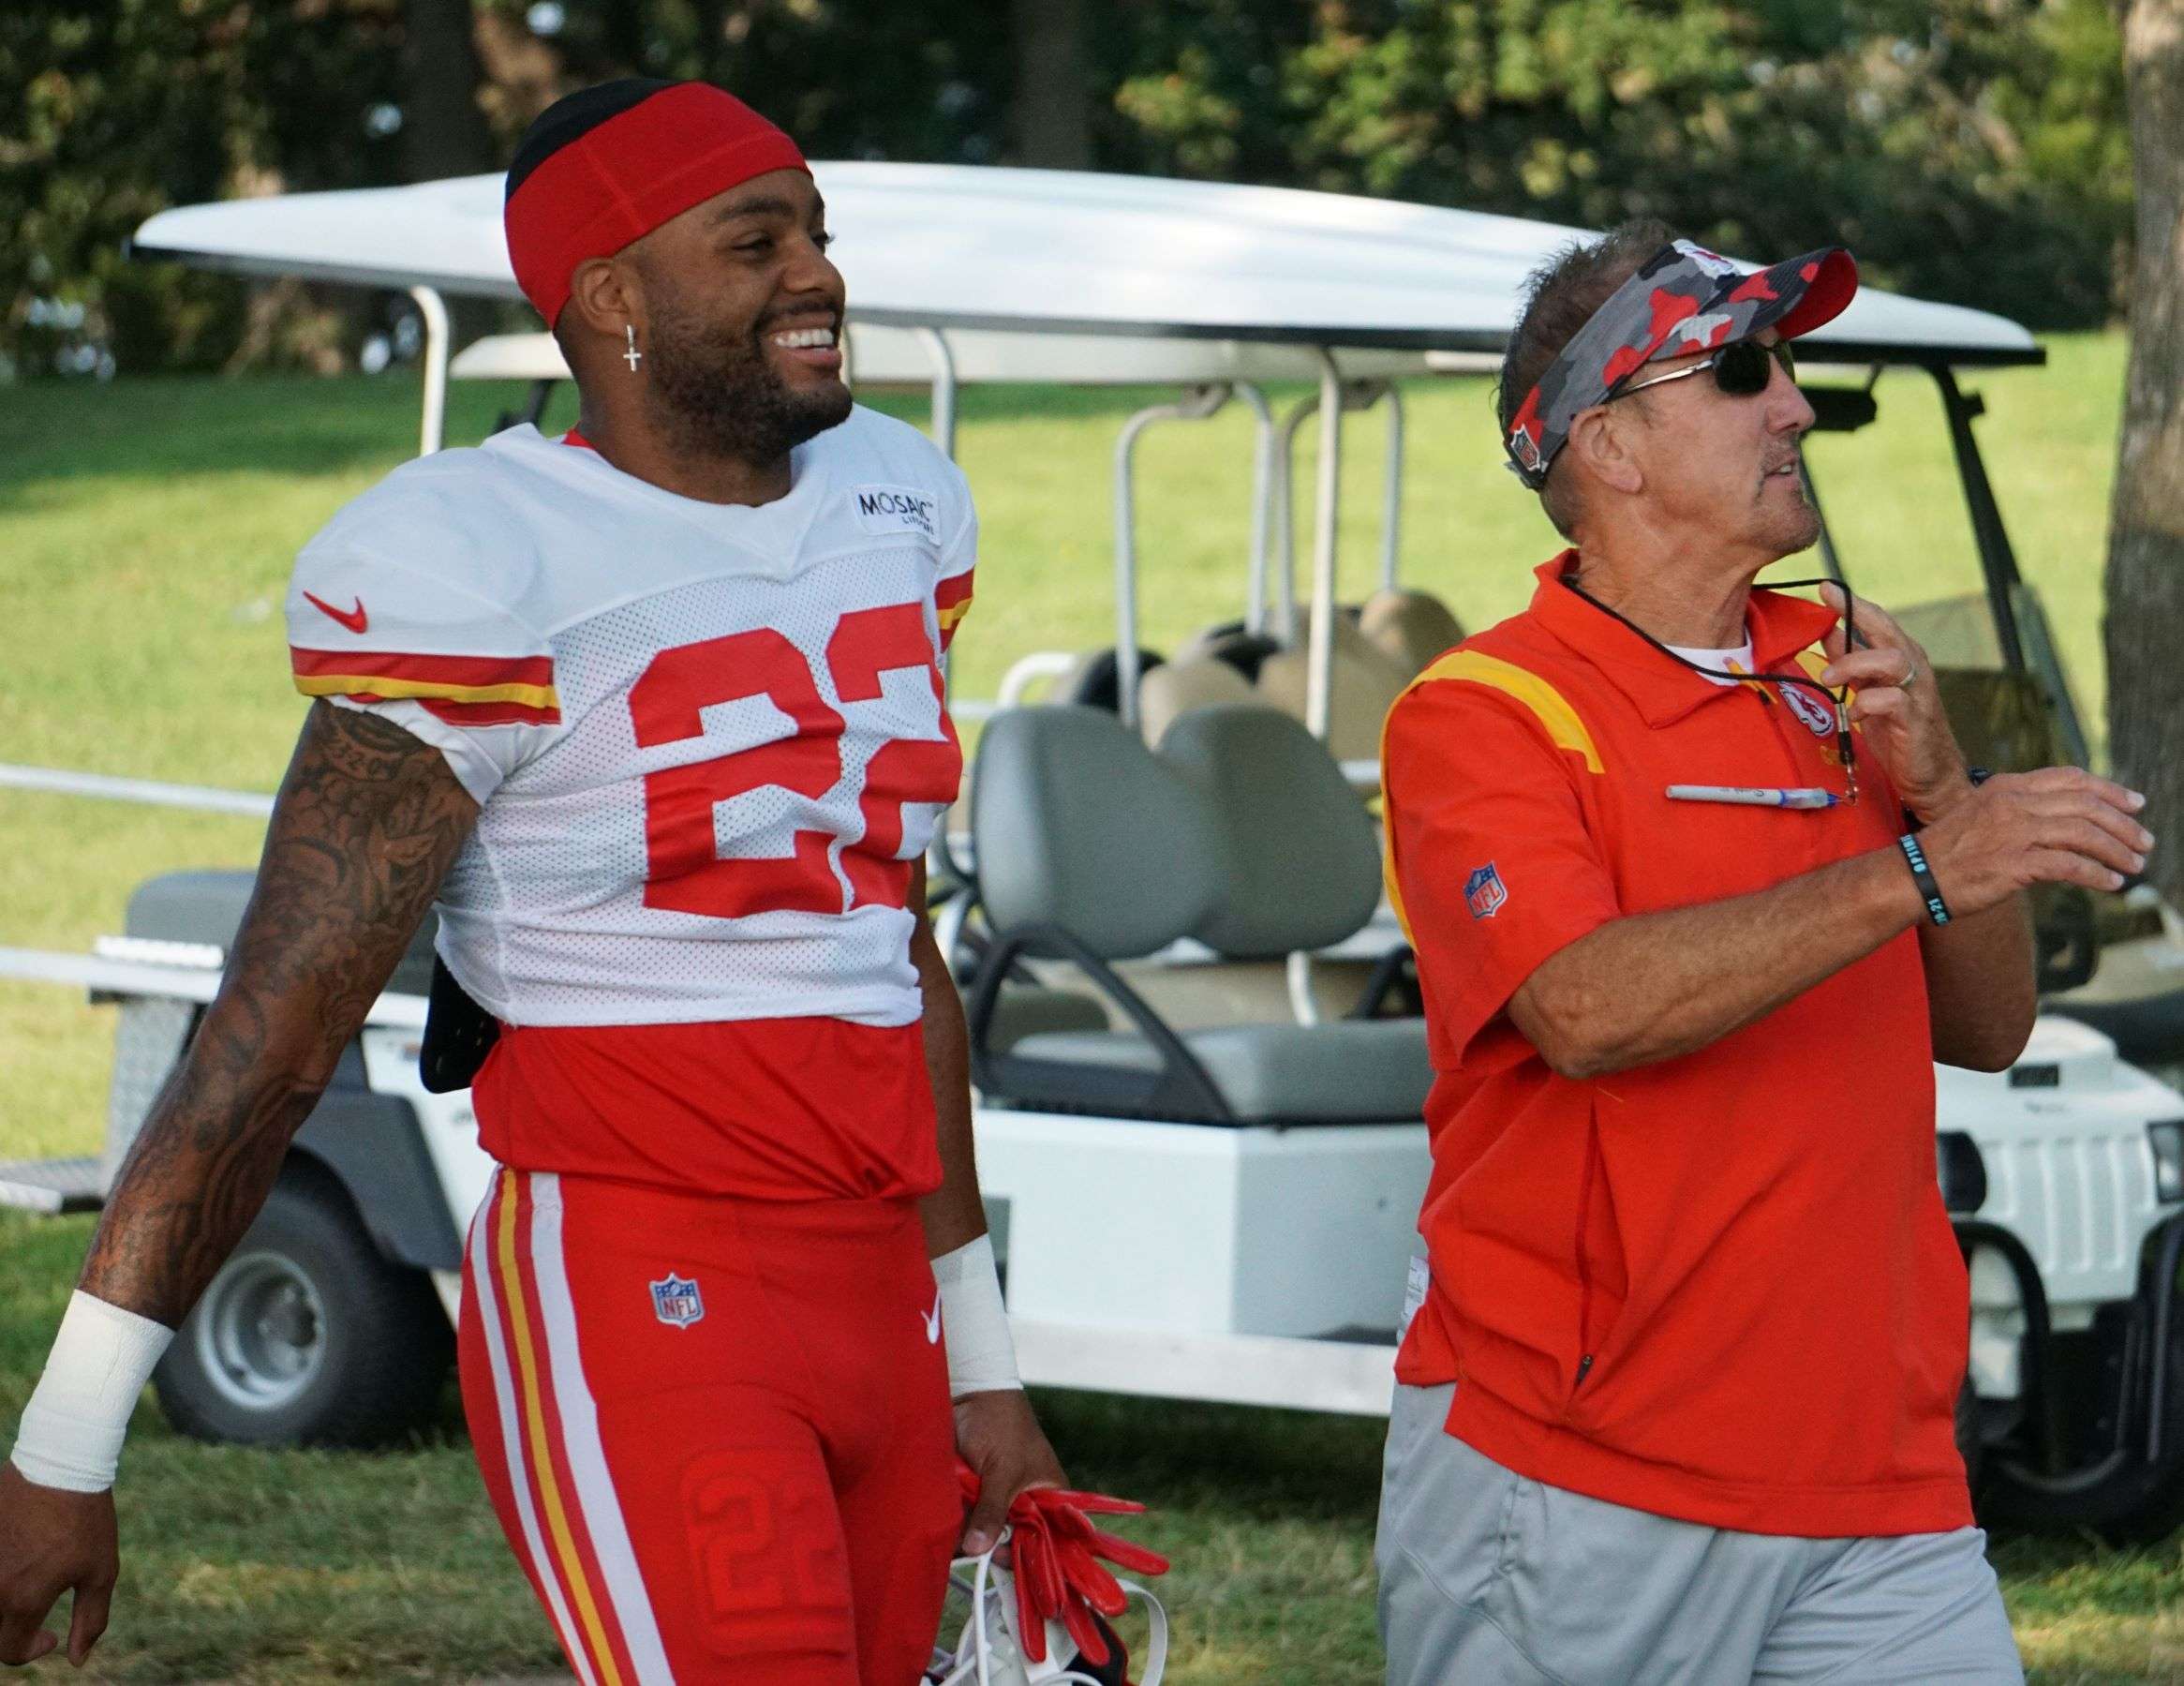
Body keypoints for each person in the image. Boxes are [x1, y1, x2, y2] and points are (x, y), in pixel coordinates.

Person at [0, 80, 1067, 1683]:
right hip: (644, 1265)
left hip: (877, 1286)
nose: (817, 274)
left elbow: (891, 957)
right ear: (611, 297)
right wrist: (69, 1440)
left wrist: (982, 1361)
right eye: (754, 238)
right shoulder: (480, 553)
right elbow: (277, 1024)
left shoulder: (897, 506)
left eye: (819, 232)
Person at [1374, 223, 2153, 1684]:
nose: (1792, 403)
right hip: (1585, 1469)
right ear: (1607, 446)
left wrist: (1940, 793)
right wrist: (1925, 861)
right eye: (1740, 369)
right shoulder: (1484, 714)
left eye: (1785, 365)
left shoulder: (1841, 666)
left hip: (1881, 1474)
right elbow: (1587, 1007)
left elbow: (1985, 1031)